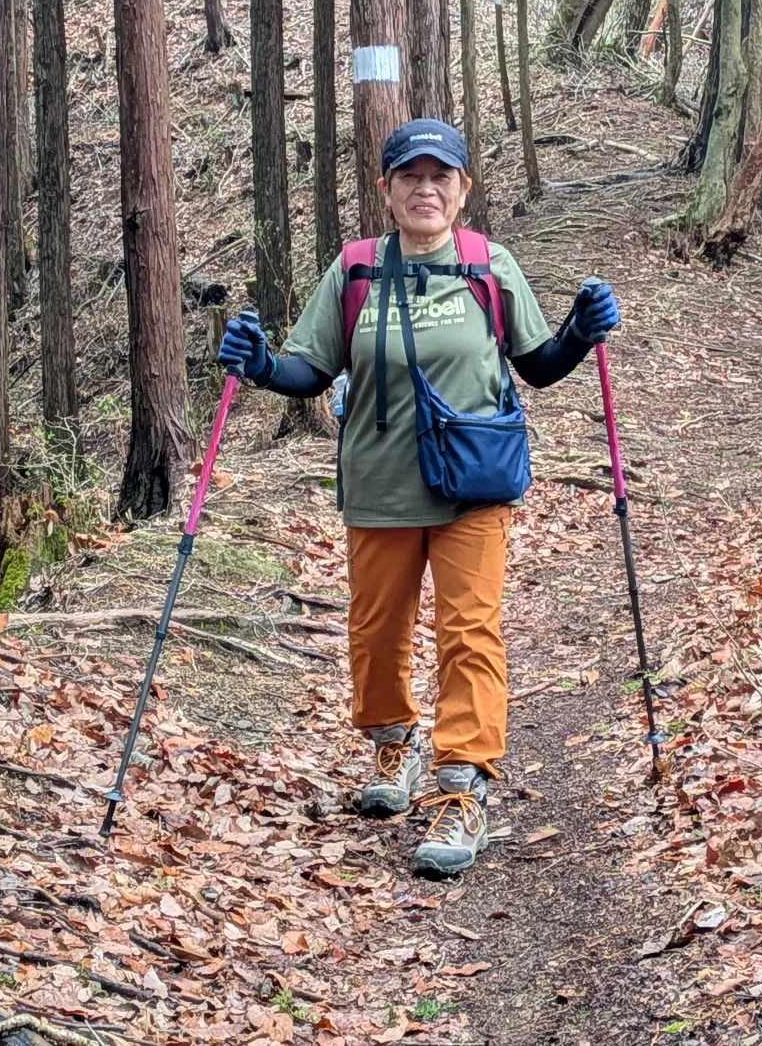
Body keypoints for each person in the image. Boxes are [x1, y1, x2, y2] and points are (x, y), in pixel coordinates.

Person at [218, 119, 618, 876]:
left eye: (441, 177)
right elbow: (309, 367)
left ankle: (461, 785)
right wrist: (263, 364)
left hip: (473, 484)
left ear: (464, 189)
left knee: (471, 631)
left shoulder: (489, 266)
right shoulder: (356, 270)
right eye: (410, 177)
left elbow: (537, 365)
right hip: (378, 484)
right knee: (376, 632)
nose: (425, 189)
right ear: (387, 190)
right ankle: (392, 745)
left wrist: (580, 331)